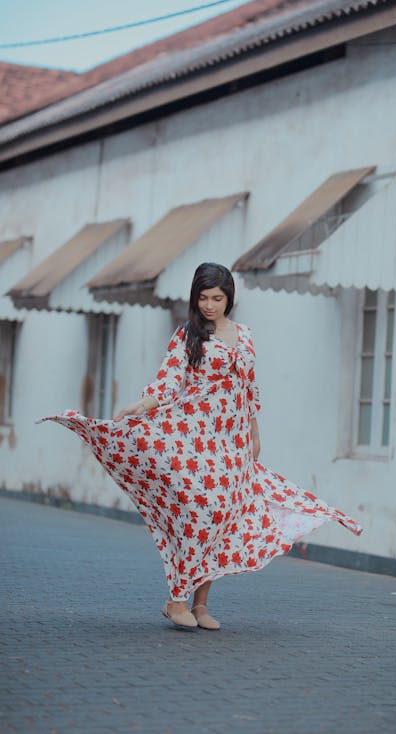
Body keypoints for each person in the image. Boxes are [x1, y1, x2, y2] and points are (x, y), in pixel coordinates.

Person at [39, 262, 362, 630]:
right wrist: (143, 405)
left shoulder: (245, 335)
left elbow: (249, 389)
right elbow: (168, 379)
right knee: (202, 511)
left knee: (223, 516)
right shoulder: (188, 335)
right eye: (203, 298)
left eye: (217, 298)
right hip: (194, 434)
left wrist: (255, 434)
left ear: (229, 298)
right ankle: (177, 599)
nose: (209, 305)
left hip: (233, 440)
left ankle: (201, 605)